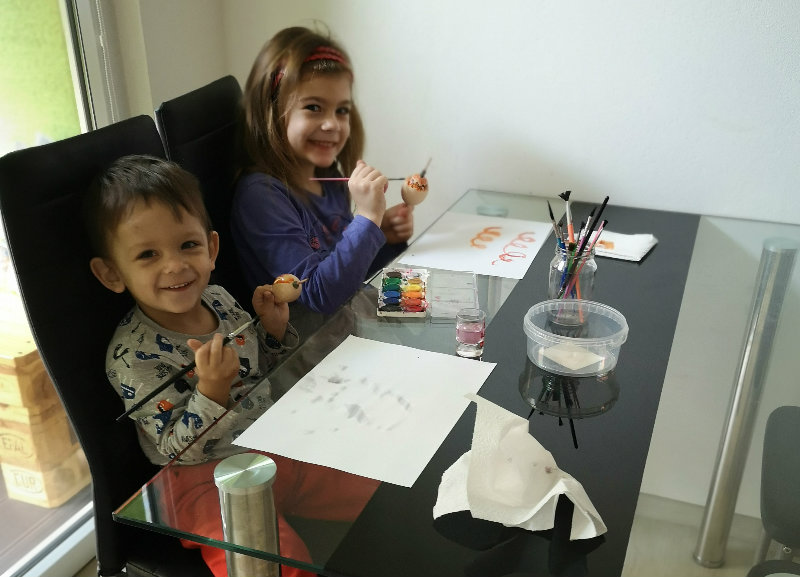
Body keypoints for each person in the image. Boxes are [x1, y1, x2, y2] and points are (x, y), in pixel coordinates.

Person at [85, 155, 378, 577]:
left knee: (374, 486)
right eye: (148, 254)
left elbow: (260, 374)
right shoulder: (132, 356)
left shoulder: (220, 300)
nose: (175, 265)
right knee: (270, 564)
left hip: (272, 444)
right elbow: (176, 449)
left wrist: (274, 333)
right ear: (112, 273)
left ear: (211, 249)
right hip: (201, 482)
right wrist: (211, 392)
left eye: (188, 245)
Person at [231, 26, 414, 315]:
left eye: (342, 110)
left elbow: (349, 278)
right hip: (306, 341)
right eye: (314, 107)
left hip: (345, 327)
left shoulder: (330, 179)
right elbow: (319, 294)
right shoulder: (261, 197)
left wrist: (383, 240)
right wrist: (367, 218)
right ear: (273, 112)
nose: (332, 124)